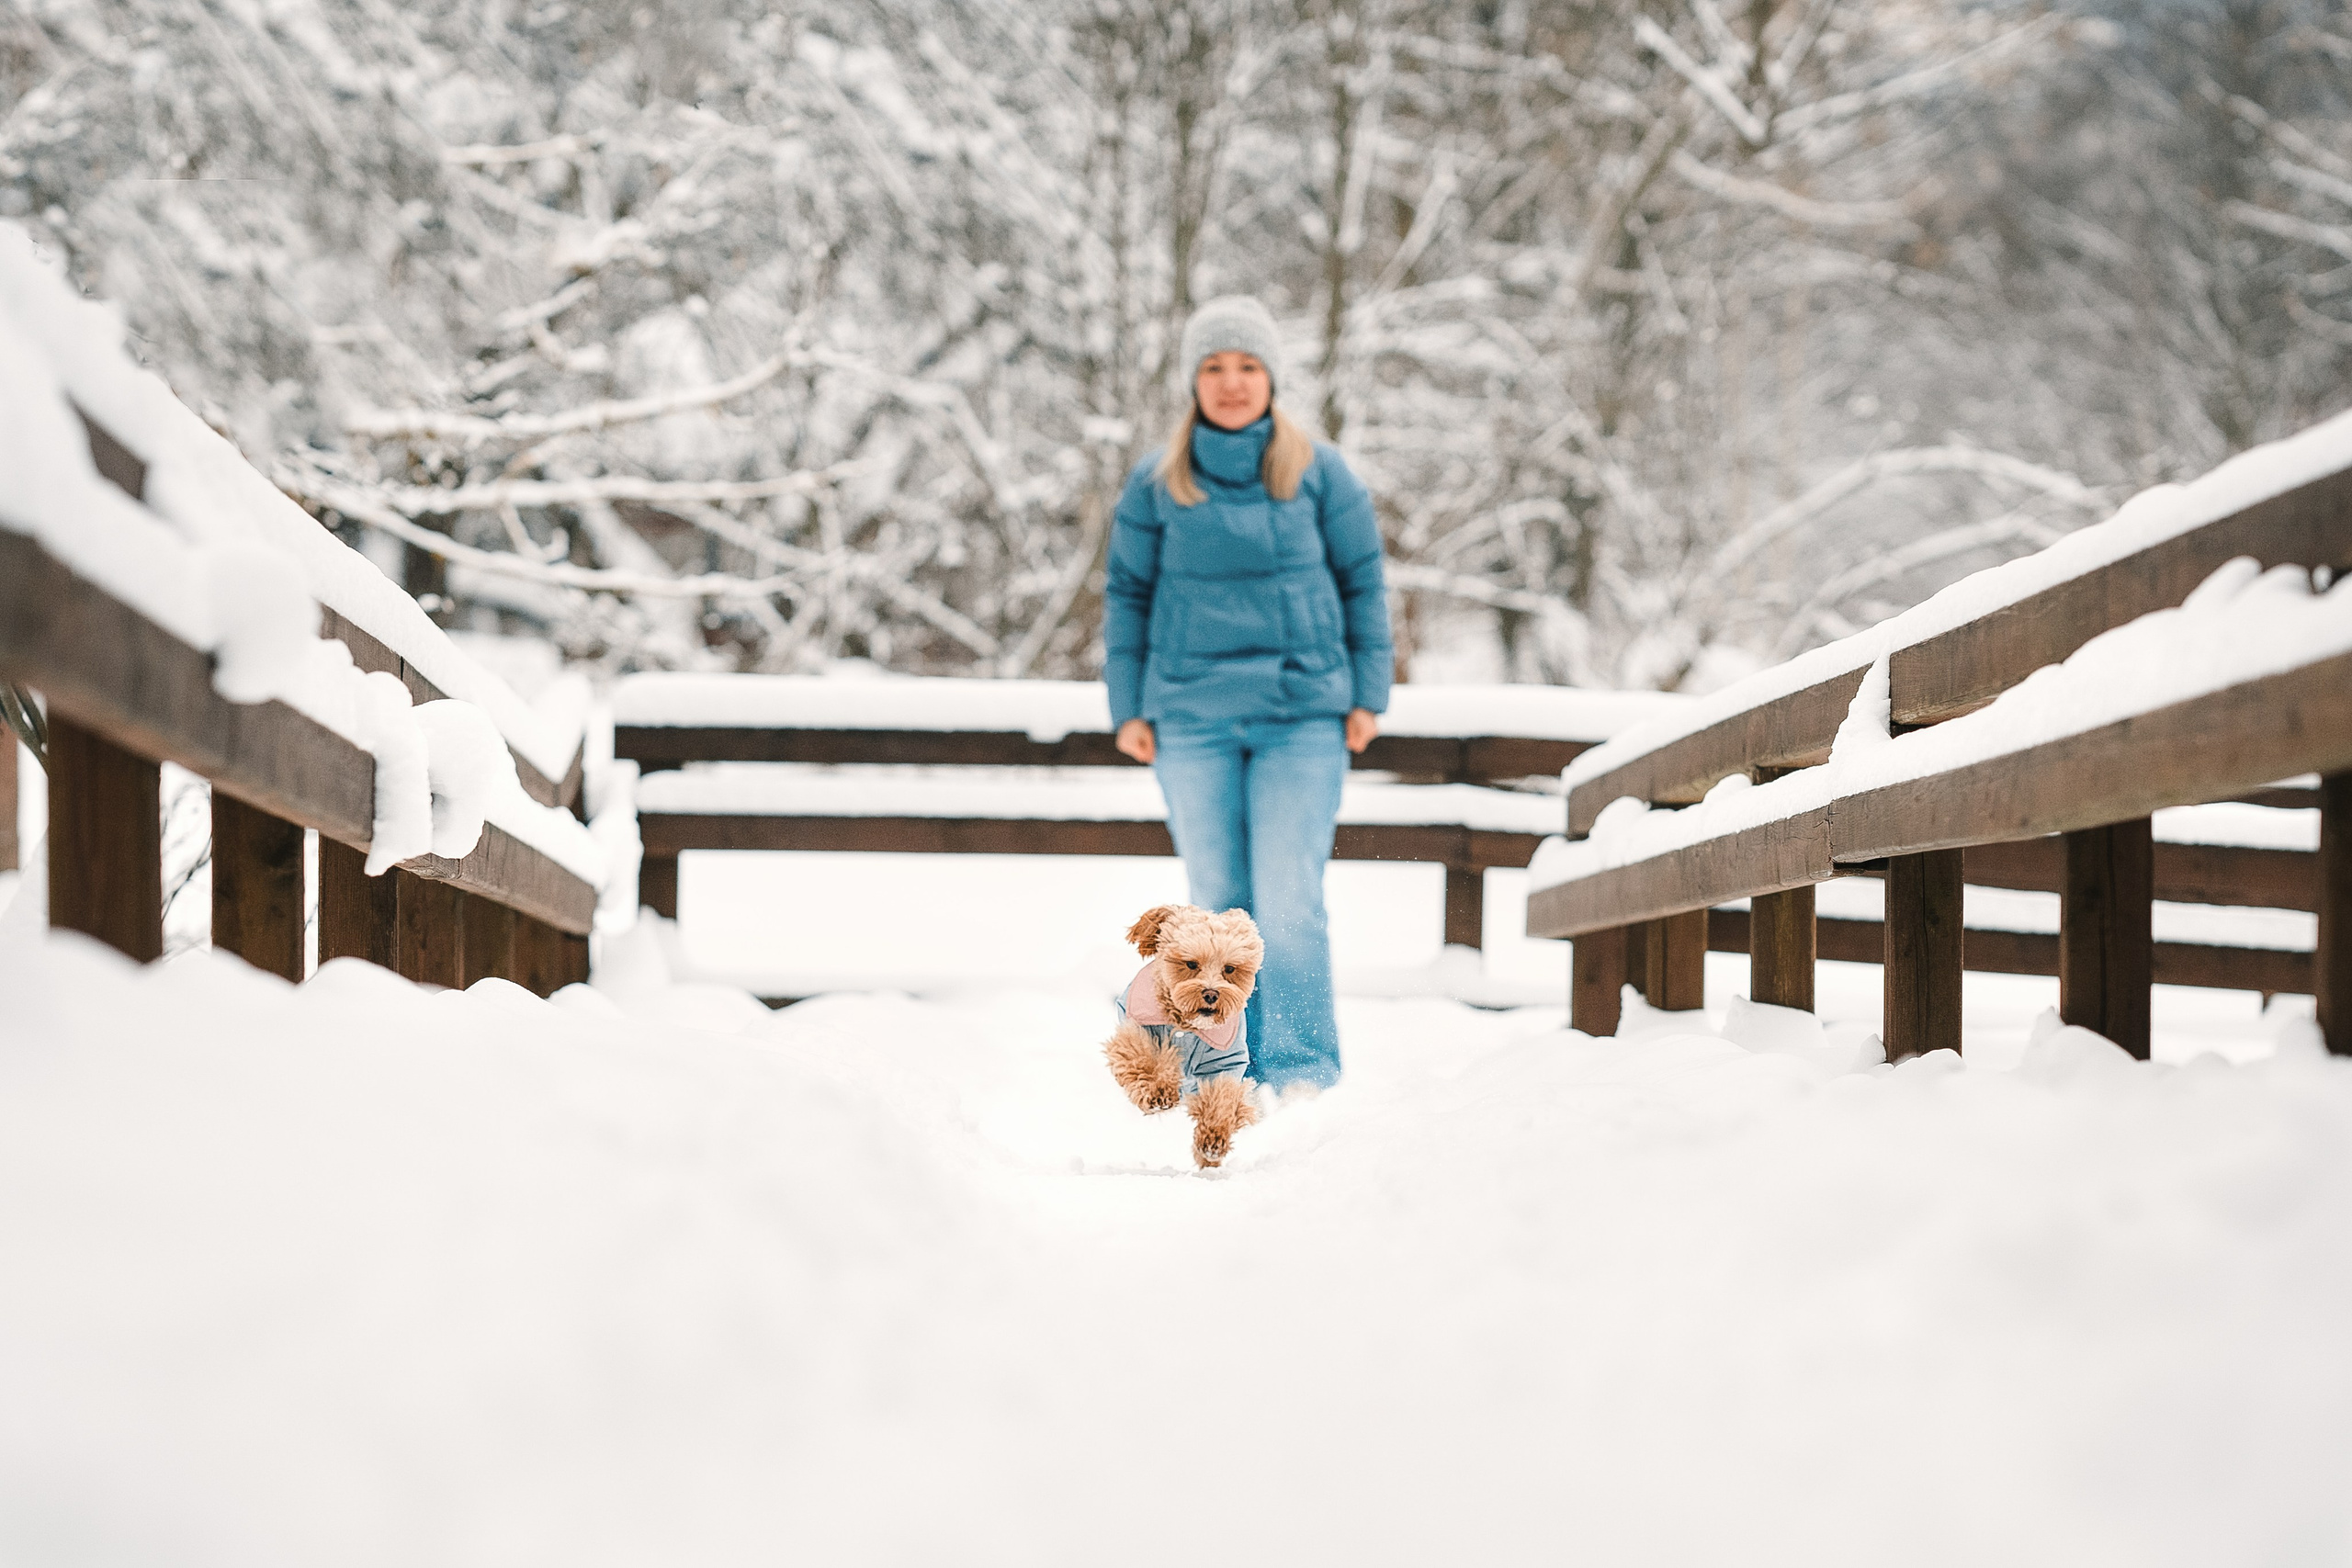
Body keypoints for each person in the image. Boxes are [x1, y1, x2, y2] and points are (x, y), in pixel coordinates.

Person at [1102, 294, 1392, 1095]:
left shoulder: (1320, 473)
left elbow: (1363, 582)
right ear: (1193, 381)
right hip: (1190, 717)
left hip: (1301, 715)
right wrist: (1128, 706)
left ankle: (1301, 1071)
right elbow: (1127, 594)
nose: (1232, 382)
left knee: (1288, 898)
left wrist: (1368, 693)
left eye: (1248, 366)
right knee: (1214, 906)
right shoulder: (1156, 483)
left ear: (1272, 378)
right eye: (1214, 367)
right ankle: (1225, 1072)